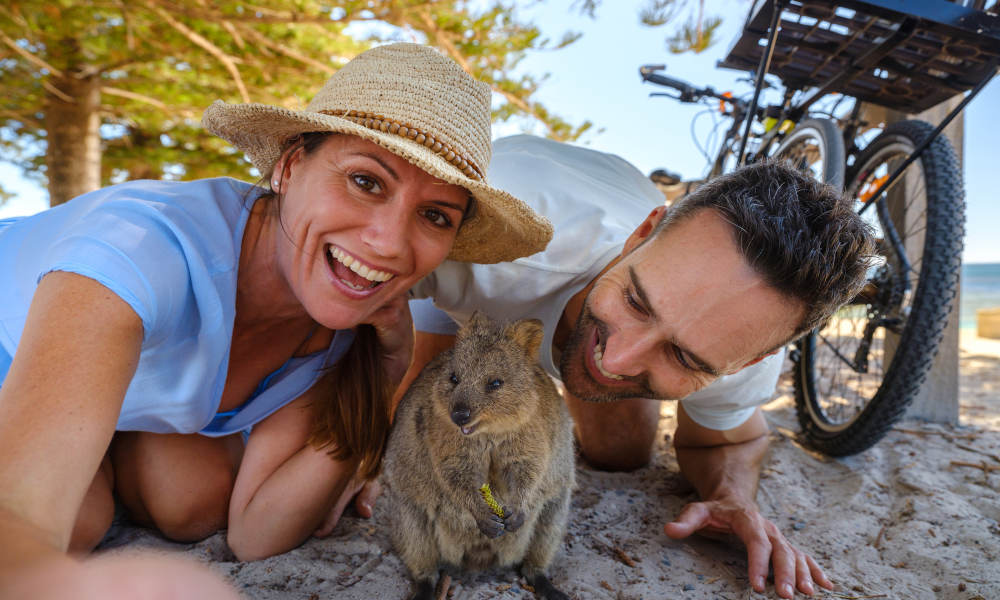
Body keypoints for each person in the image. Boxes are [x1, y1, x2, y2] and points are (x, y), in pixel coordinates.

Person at [0, 44, 551, 595]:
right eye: (366, 181)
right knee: (78, 521)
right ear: (288, 166)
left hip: (112, 409)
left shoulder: (339, 320)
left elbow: (256, 533)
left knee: (193, 501)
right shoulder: (139, 250)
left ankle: (104, 442)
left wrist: (387, 373)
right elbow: (16, 518)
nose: (387, 243)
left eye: (434, 216)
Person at [400, 134, 875, 599]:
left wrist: (733, 495)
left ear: (750, 361)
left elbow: (737, 439)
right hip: (501, 232)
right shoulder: (486, 244)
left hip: (609, 207)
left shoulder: (742, 340)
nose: (618, 361)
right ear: (642, 235)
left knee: (620, 453)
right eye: (636, 301)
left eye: (685, 356)